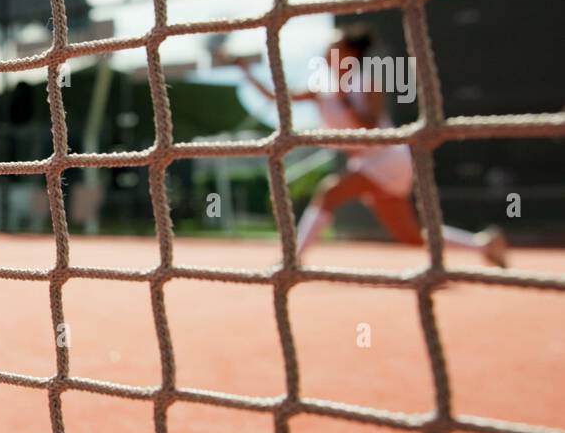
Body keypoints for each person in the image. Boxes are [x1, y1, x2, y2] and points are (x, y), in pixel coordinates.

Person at [217, 26, 507, 266]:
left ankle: (293, 258)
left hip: (387, 158)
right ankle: (483, 245)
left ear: (350, 54)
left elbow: (369, 125)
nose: (328, 53)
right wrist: (245, 71)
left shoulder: (366, 81)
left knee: (329, 193)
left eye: (335, 48)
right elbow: (277, 98)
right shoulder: (321, 90)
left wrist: (344, 99)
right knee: (411, 235)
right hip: (367, 162)